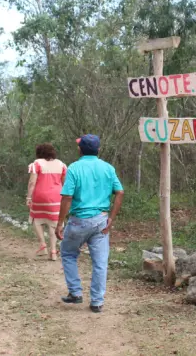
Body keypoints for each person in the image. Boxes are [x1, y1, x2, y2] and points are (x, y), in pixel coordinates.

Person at [55, 134, 124, 313]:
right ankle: (97, 302)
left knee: (68, 253)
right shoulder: (108, 168)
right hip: (101, 220)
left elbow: (67, 197)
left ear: (80, 149)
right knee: (100, 262)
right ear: (98, 149)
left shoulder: (74, 168)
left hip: (78, 221)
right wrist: (112, 218)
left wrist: (60, 223)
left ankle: (76, 292)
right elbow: (120, 192)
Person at [27, 143, 67, 261]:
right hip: (56, 197)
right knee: (54, 223)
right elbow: (64, 183)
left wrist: (29, 197)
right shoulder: (62, 164)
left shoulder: (36, 164)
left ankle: (42, 245)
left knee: (36, 218)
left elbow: (32, 182)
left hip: (40, 196)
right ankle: (53, 251)